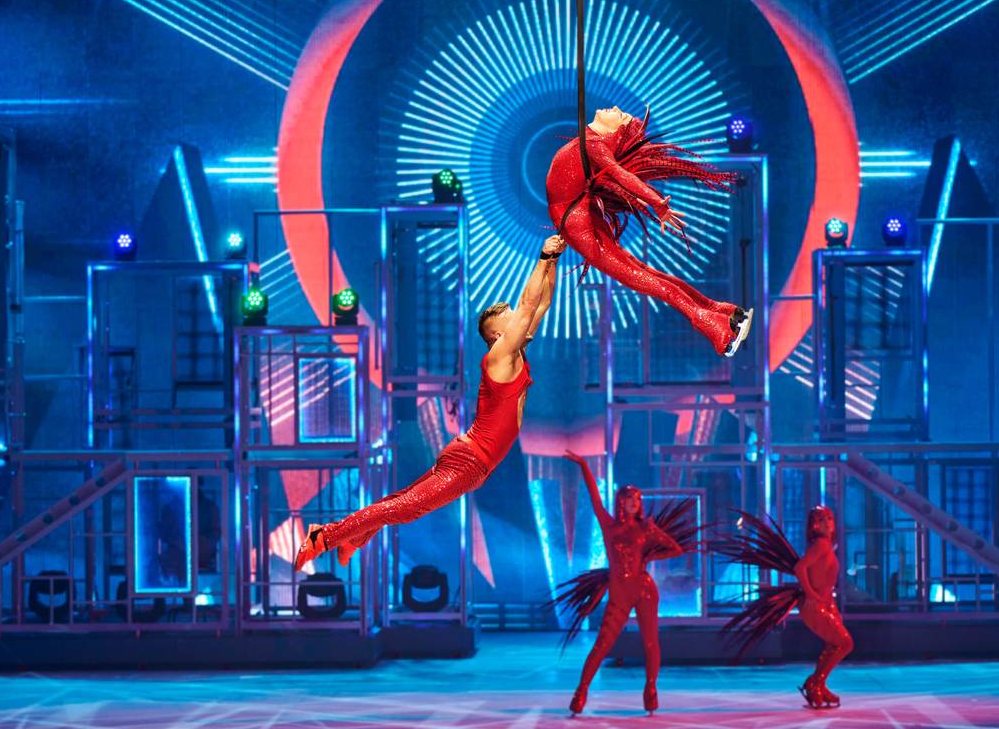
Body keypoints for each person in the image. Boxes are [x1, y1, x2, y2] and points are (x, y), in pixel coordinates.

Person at [293, 235, 565, 570]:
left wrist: (554, 259)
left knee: (402, 502)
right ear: (497, 335)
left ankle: (354, 538)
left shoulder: (515, 352)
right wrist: (542, 256)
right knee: (406, 509)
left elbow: (540, 303)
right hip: (469, 462)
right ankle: (325, 536)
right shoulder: (500, 356)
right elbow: (527, 305)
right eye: (510, 317)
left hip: (471, 459)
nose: (520, 317)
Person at [545, 106, 753, 356]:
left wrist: (656, 202)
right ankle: (722, 311)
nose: (615, 108)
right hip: (579, 213)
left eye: (620, 115)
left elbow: (620, 174)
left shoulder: (594, 144)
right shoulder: (591, 141)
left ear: (617, 130)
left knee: (639, 277)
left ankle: (715, 327)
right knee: (641, 272)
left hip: (576, 221)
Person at [551, 451, 693, 716]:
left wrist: (649, 555)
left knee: (650, 642)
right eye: (631, 499)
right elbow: (594, 499)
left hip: (644, 589)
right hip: (619, 592)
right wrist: (584, 465)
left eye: (638, 499)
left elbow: (676, 549)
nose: (635, 503)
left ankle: (651, 689)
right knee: (602, 644)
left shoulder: (645, 528)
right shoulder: (609, 526)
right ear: (621, 501)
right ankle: (581, 691)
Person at [716, 506, 853, 709]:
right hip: (815, 605)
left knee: (835, 644)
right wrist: (811, 594)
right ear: (815, 525)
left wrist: (831, 606)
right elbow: (800, 567)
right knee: (845, 643)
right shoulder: (821, 545)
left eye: (830, 519)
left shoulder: (824, 545)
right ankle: (816, 683)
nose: (827, 523)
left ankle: (817, 684)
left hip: (825, 604)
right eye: (822, 520)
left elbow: (822, 579)